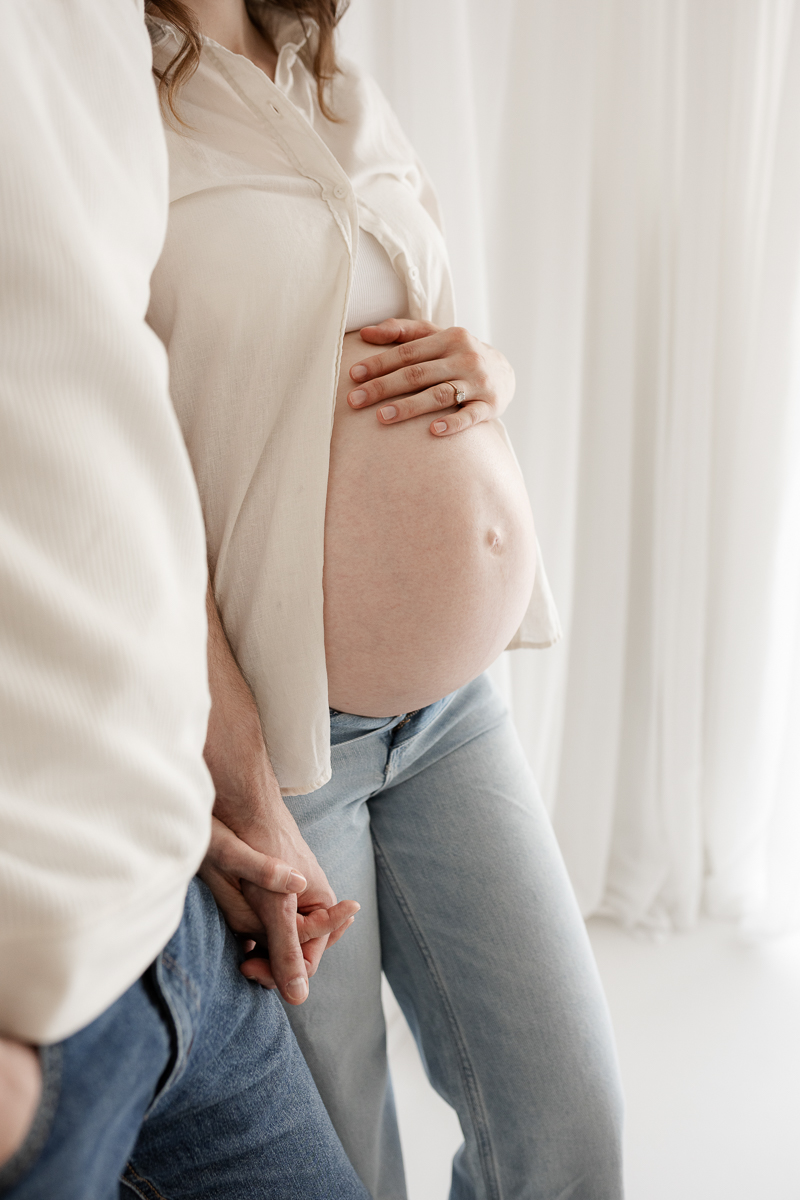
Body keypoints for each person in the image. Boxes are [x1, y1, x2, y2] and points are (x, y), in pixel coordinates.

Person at [145, 1, 627, 1197]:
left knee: (568, 1128)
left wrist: (488, 367)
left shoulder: (330, 71)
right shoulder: (101, 92)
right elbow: (117, 478)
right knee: (338, 1169)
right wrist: (239, 775)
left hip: (454, 714)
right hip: (282, 746)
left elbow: (412, 313)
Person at [0, 3, 368, 1197]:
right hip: (40, 1013)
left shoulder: (92, 30)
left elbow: (104, 466)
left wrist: (215, 795)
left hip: (177, 903)